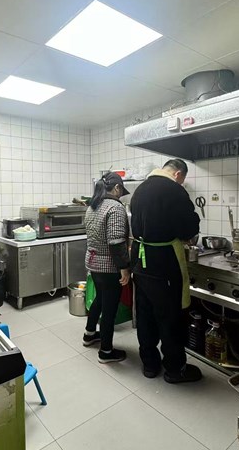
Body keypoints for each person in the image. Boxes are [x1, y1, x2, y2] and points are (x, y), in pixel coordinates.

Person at [130, 159, 201, 383]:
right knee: (171, 317)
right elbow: (188, 229)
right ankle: (175, 369)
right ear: (178, 174)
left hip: (140, 260)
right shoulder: (174, 191)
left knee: (145, 315)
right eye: (183, 180)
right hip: (163, 262)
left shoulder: (140, 189)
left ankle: (150, 364)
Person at [83, 172, 131, 363]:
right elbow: (116, 241)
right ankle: (106, 351)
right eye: (121, 191)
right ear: (117, 188)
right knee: (110, 309)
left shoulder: (93, 206)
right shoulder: (115, 207)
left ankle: (89, 335)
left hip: (93, 262)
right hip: (109, 267)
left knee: (100, 299)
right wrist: (124, 267)